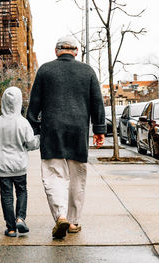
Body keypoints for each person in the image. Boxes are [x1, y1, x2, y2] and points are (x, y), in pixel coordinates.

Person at [26, 35, 106, 239]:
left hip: (52, 132)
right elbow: (97, 102)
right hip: (78, 132)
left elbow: (33, 107)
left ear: (56, 51)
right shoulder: (87, 71)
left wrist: (35, 128)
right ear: (76, 51)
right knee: (77, 177)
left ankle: (60, 215)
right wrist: (99, 130)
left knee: (54, 176)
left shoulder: (45, 70)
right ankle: (73, 221)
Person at [0, 86, 40, 237]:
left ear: (3, 101)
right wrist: (38, 139)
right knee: (22, 191)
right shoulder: (23, 122)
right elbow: (30, 143)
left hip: (3, 166)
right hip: (19, 165)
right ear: (19, 102)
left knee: (6, 195)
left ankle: (10, 228)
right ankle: (20, 218)